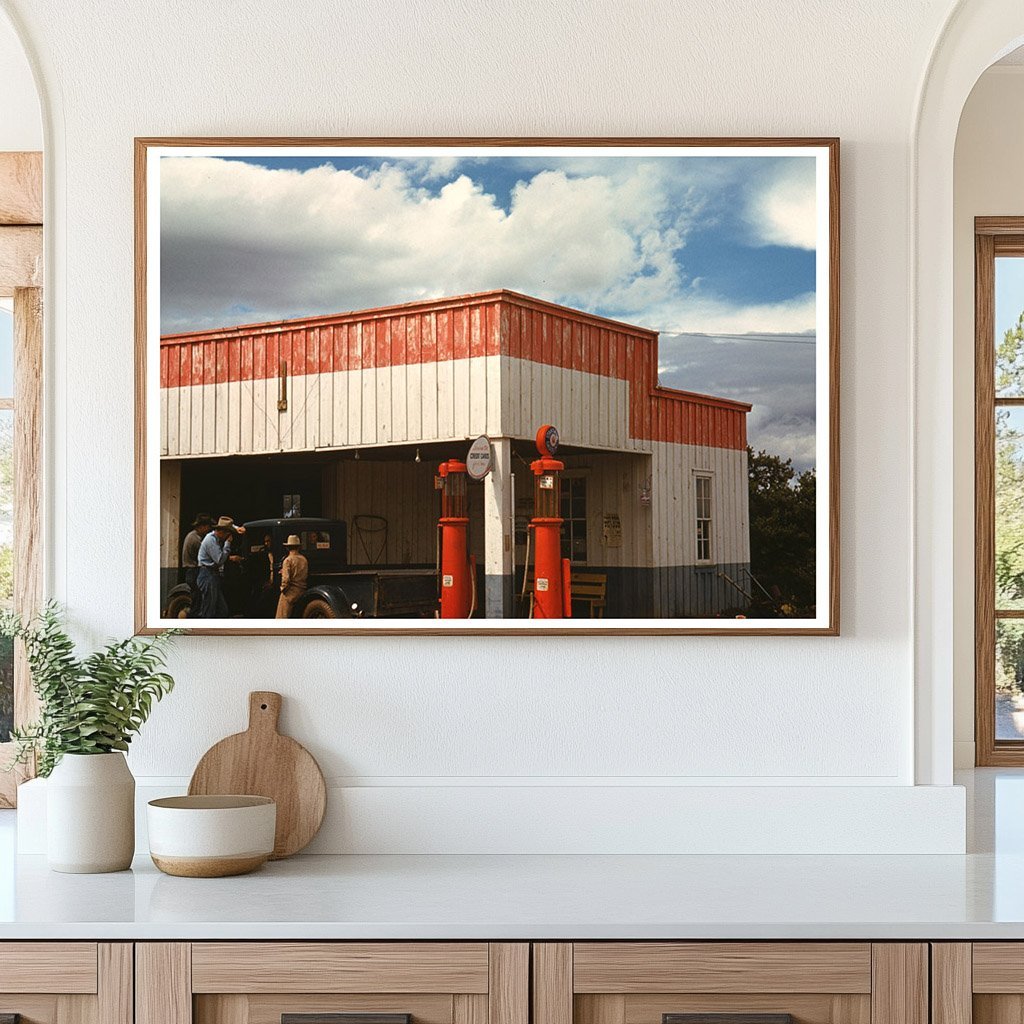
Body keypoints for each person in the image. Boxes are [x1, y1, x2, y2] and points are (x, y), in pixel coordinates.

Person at [196, 516, 246, 619]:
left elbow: (228, 525)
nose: (228, 537)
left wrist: (237, 528)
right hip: (207, 575)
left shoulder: (216, 537)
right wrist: (227, 544)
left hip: (213, 575)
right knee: (209, 609)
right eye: (227, 534)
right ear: (222, 532)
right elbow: (219, 560)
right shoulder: (211, 540)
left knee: (222, 610)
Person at [181, 514, 213, 616]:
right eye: (208, 526)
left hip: (192, 571)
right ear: (201, 526)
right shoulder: (195, 539)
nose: (209, 529)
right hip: (194, 571)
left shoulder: (193, 536)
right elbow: (206, 555)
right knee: (198, 600)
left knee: (198, 599)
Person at [275, 534, 309, 619]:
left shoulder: (288, 560)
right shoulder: (304, 559)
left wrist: (283, 589)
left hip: (290, 592)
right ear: (298, 547)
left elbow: (286, 579)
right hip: (302, 590)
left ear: (287, 548)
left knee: (281, 617)